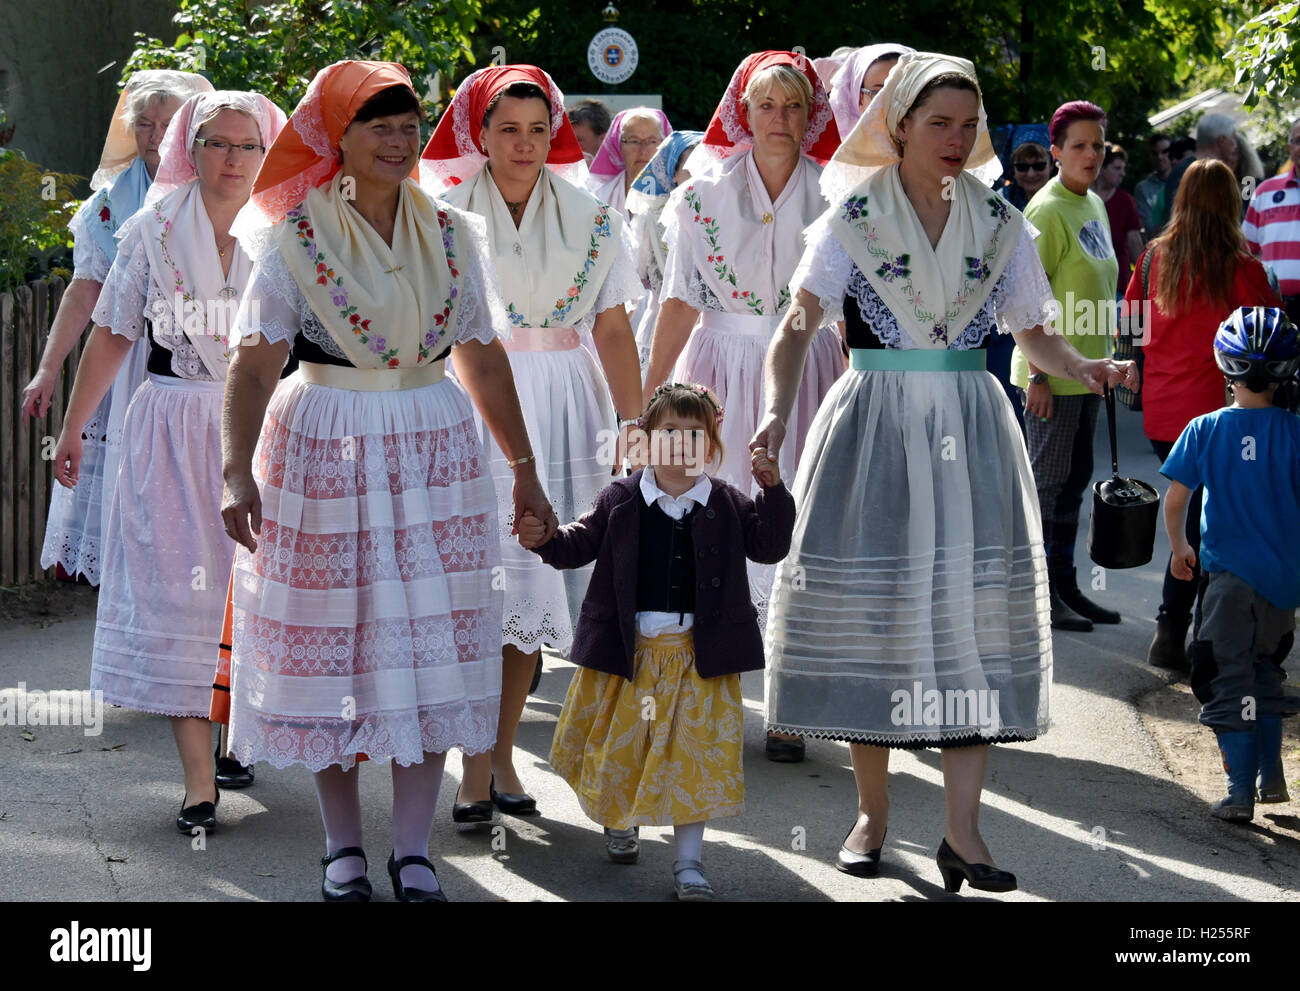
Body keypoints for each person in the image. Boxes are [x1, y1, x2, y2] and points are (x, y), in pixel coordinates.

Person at [752, 52, 1137, 891]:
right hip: (876, 423)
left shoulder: (1001, 223)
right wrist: (775, 411)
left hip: (970, 419)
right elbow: (795, 326)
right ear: (898, 127)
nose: (959, 139)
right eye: (940, 123)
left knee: (966, 624)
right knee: (879, 616)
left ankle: (964, 832)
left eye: (970, 124)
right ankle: (872, 812)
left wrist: (1087, 363)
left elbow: (1032, 332)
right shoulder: (852, 215)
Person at [220, 60, 550, 902]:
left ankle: (411, 849)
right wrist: (235, 469)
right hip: (324, 446)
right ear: (340, 137)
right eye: (379, 126)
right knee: (335, 649)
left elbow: (480, 356)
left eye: (409, 127)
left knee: (426, 647)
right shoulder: (295, 237)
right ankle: (342, 847)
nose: (400, 142)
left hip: (433, 447)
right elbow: (253, 366)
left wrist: (524, 470)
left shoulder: (450, 233)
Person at [49, 89, 285, 835]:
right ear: (193, 144)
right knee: (178, 599)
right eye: (218, 142)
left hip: (263, 433)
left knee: (250, 596)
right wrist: (74, 428)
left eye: (249, 146)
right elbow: (113, 333)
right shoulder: (153, 226)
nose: (234, 159)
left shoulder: (286, 230)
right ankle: (197, 779)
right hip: (170, 426)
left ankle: (238, 733)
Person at [420, 64, 644, 821]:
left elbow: (613, 327)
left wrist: (633, 423)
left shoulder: (592, 214)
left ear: (556, 136)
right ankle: (472, 758)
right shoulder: (440, 212)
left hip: (565, 401)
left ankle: (498, 753)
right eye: (507, 129)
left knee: (531, 584)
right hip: (466, 398)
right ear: (478, 134)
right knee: (473, 586)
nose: (523, 143)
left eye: (538, 130)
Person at [521, 383, 796, 899]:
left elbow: (770, 546)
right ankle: (620, 819)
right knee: (623, 754)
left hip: (700, 659)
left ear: (711, 446)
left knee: (695, 762)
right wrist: (548, 540)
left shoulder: (726, 501)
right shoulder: (622, 499)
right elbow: (580, 541)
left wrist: (773, 491)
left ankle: (688, 863)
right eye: (669, 430)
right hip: (631, 657)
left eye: (695, 433)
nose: (682, 442)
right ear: (643, 442)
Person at [25, 70, 211, 586]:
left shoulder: (219, 191)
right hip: (127, 369)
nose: (155, 137)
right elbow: (85, 289)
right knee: (132, 500)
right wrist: (46, 369)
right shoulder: (109, 205)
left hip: (205, 367)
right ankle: (137, 604)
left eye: (168, 124)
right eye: (146, 125)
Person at [1127, 160, 1281, 670]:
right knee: (1213, 522)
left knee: (1189, 512)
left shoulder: (1153, 259)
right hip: (1224, 416)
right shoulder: (1246, 269)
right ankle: (1191, 631)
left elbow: (1130, 325)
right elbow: (1265, 334)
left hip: (1164, 414)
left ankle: (1171, 631)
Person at [1160, 306, 1300, 821]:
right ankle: (1273, 775)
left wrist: (1180, 548)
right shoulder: (1295, 431)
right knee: (1264, 671)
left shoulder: (1205, 429)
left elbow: (1176, 500)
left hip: (1227, 584)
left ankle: (1240, 791)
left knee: (1223, 676)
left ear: (1225, 367)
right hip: (1283, 587)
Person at [1010, 100, 1121, 631]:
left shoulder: (1093, 203)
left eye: (1097, 144)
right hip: (1050, 377)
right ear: (1055, 152)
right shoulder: (1046, 210)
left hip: (1089, 375)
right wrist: (1036, 375)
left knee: (1074, 484)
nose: (1090, 154)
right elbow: (1025, 300)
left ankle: (1065, 585)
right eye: (1078, 145)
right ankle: (1038, 597)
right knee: (1045, 488)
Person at [627, 130, 704, 370]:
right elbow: (637, 270)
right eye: (689, 166)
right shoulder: (652, 218)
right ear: (674, 173)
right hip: (664, 319)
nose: (697, 173)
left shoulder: (724, 214)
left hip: (710, 327)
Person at [1243, 117, 1300, 327]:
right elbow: (1245, 251)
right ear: (1289, 147)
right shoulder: (1265, 192)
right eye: (1298, 140)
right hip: (1274, 311)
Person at [586, 107, 671, 217]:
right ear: (618, 146)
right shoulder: (598, 196)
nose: (643, 151)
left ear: (663, 144)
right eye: (634, 141)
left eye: (652, 141)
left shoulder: (677, 196)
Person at [1160, 114, 1239, 231]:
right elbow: (1174, 219)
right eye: (1233, 139)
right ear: (1221, 140)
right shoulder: (1184, 172)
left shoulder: (1183, 170)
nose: (1235, 145)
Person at [825, 43, 913, 138]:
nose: (892, 102)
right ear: (860, 99)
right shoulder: (837, 150)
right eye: (878, 93)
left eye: (902, 90)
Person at [1093, 143, 1143, 293]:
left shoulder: (1125, 201)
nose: (1123, 173)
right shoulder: (1080, 198)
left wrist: (1146, 278)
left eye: (1123, 168)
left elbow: (1134, 243)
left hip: (1118, 287)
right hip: (1084, 288)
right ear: (1101, 168)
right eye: (1117, 168)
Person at [997, 123, 1052, 211]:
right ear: (1013, 169)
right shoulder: (999, 201)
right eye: (1022, 167)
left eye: (1039, 166)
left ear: (1051, 165)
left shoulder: (1068, 200)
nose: (1031, 174)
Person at [1134, 133, 1172, 237]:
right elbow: (1149, 227)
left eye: (1165, 152)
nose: (1160, 157)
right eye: (1155, 153)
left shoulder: (1185, 181)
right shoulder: (1143, 188)